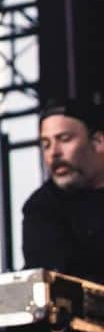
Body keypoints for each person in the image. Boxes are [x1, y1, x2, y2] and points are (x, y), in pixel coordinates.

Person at [22, 99, 104, 283]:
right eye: (46, 144)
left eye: (64, 139)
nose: (54, 153)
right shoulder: (42, 207)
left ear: (98, 141)